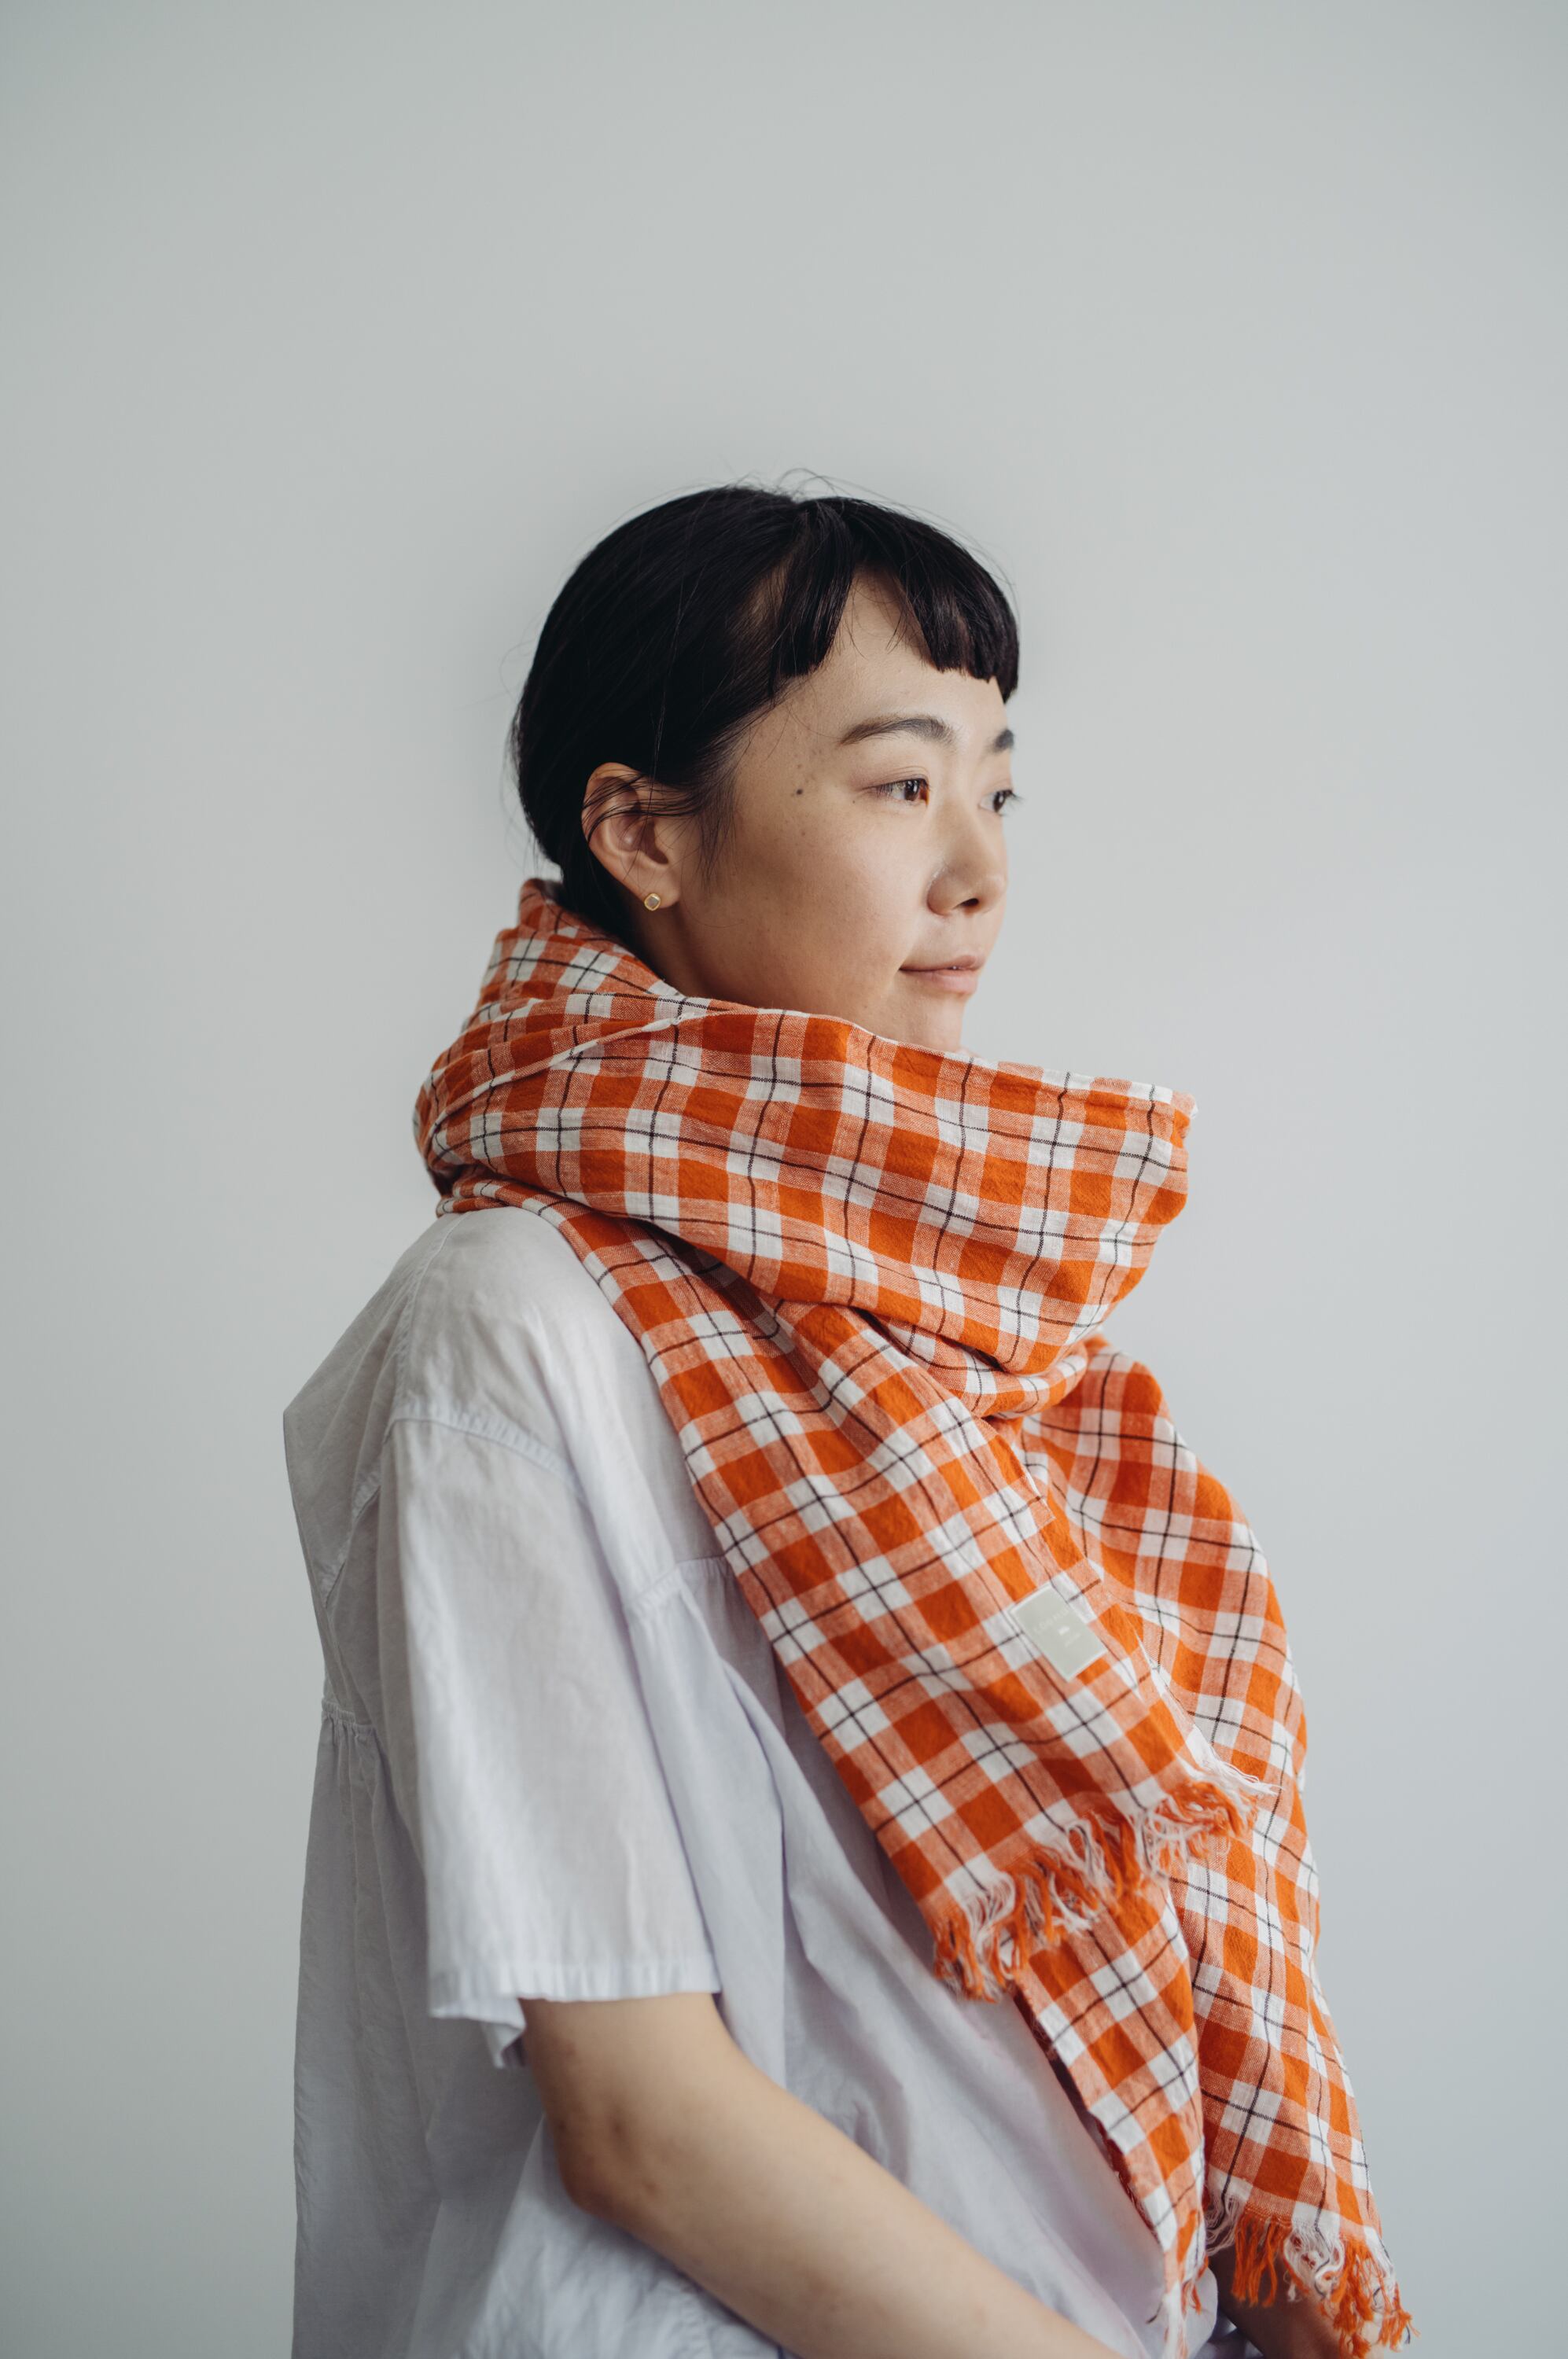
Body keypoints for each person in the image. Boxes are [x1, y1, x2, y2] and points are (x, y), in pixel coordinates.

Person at [280, 485, 1412, 2359]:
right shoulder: (507, 1326)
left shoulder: (949, 1330)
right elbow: (643, 2119)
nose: (975, 871)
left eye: (997, 791)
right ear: (643, 833)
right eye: (900, 785)